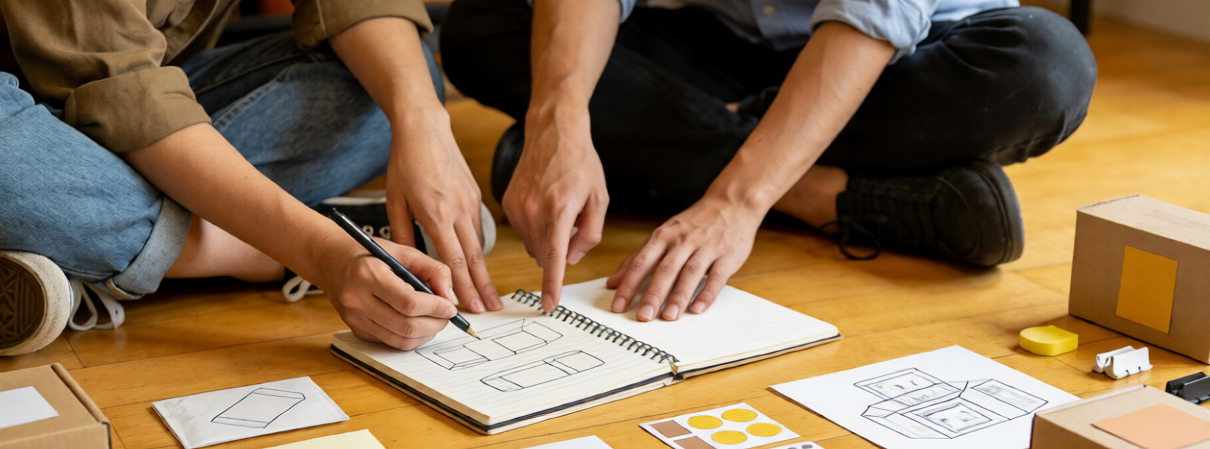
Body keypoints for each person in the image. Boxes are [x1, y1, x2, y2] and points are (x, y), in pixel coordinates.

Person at [0, 0, 492, 356]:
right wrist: (315, 251)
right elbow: (118, 88)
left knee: (382, 88)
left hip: (108, 126)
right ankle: (242, 252)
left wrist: (424, 125)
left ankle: (44, 237)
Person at [440, 0, 1098, 321]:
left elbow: (872, 18)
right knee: (483, 23)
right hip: (721, 52)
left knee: (1049, 69)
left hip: (900, 61)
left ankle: (659, 156)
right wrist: (560, 120)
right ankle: (827, 193)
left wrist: (736, 202)